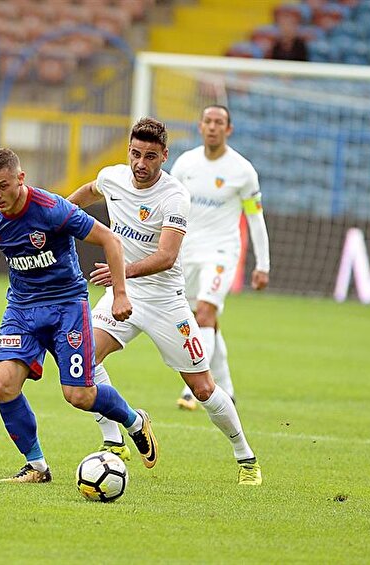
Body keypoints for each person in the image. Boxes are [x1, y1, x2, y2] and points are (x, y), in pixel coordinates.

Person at [0, 148, 159, 483]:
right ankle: (37, 466)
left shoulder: (52, 209)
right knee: (3, 385)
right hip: (22, 310)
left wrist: (120, 294)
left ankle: (134, 421)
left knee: (79, 396)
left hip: (67, 307)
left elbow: (110, 240)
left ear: (20, 179)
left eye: (3, 185)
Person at [68, 118, 261, 485]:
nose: (141, 163)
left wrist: (122, 273)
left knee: (203, 388)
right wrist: (56, 214)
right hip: (122, 292)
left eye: (150, 156)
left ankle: (246, 457)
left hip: (165, 301)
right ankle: (116, 439)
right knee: (82, 361)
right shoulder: (114, 177)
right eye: (135, 154)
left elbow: (167, 256)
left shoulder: (174, 196)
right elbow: (90, 191)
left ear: (164, 156)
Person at [171, 105, 270, 411]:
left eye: (220, 122)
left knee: (204, 314)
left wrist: (263, 264)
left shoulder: (242, 171)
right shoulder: (185, 164)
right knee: (206, 321)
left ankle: (193, 390)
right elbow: (168, 207)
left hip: (222, 253)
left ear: (229, 130)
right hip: (186, 253)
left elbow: (255, 218)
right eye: (208, 121)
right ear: (200, 126)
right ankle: (227, 388)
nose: (213, 127)